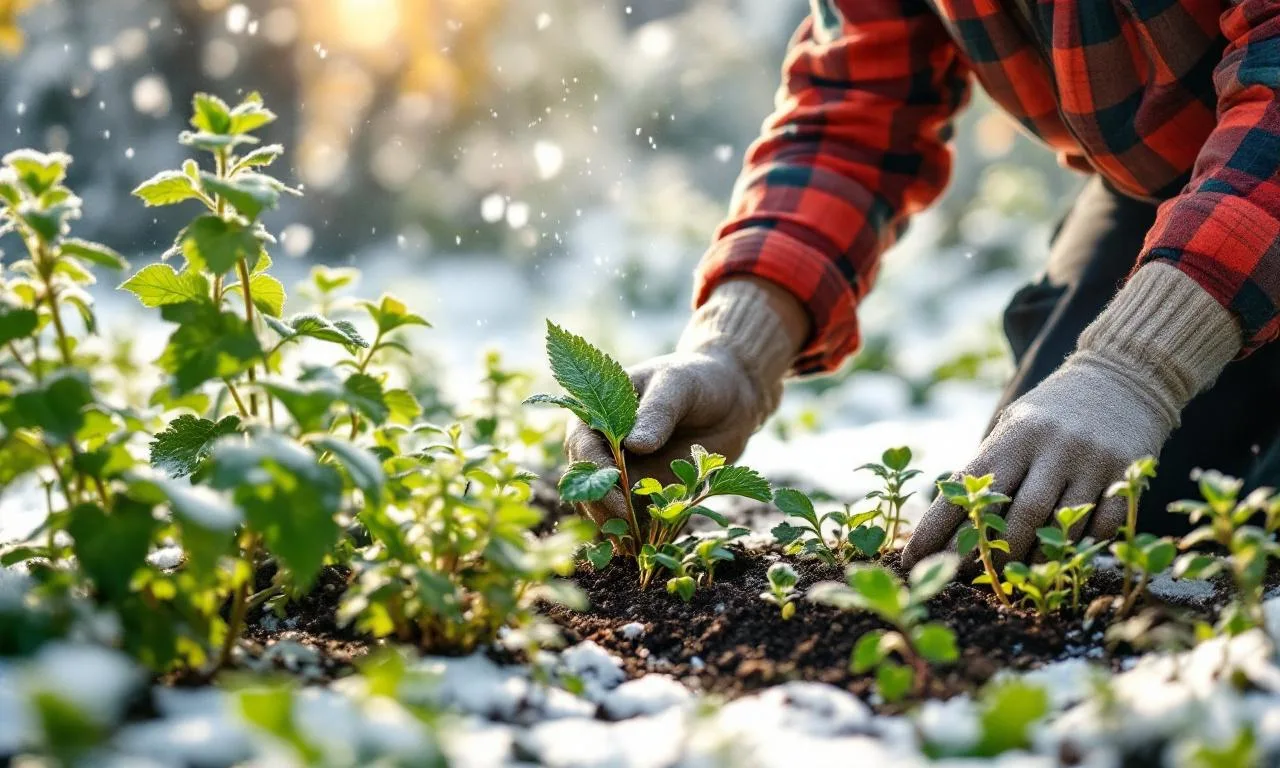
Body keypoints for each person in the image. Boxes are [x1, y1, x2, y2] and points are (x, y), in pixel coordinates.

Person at [567, 0, 1280, 569]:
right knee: (1042, 531)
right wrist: (735, 349)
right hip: (1175, 181)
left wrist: (1135, 366)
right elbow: (859, 100)